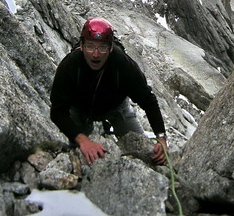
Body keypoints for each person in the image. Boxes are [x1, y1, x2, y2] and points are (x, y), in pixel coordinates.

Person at [50, 17, 168, 166]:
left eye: (102, 47)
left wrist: (161, 138)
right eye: (90, 46)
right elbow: (57, 112)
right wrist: (82, 139)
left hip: (116, 108)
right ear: (81, 45)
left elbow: (148, 100)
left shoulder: (123, 65)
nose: (96, 54)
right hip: (79, 110)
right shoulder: (70, 66)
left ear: (111, 47)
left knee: (144, 151)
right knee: (77, 153)